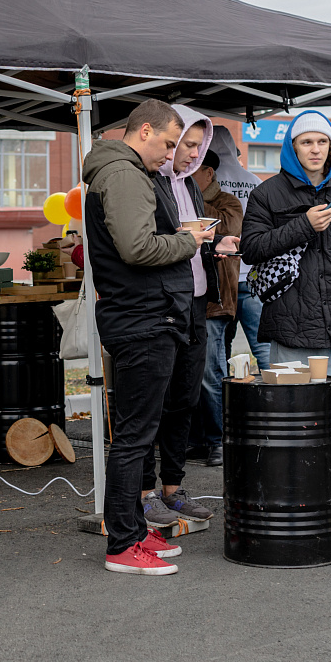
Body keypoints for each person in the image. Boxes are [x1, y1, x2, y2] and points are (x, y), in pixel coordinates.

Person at [83, 99, 215, 575]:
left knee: (137, 434)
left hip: (144, 316)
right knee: (134, 438)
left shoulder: (124, 172)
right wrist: (189, 241)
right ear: (143, 131)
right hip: (142, 318)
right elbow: (137, 248)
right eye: (168, 142)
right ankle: (123, 544)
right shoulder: (124, 175)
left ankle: (135, 532)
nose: (171, 153)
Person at [241, 110, 331, 526]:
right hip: (291, 326)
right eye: (306, 142)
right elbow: (251, 248)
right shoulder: (266, 194)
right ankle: (301, 494)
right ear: (292, 147)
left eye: (322, 142)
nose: (315, 149)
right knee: (294, 418)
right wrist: (303, 225)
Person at [139, 105, 234, 523]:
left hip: (196, 303)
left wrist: (215, 245)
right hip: (161, 305)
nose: (195, 153)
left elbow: (192, 241)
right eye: (188, 144)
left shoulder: (190, 184)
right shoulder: (145, 181)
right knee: (151, 404)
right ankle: (144, 493)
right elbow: (146, 244)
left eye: (199, 145)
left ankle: (173, 488)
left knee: (184, 400)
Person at [188, 148, 244, 468]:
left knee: (212, 373)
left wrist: (191, 200)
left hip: (218, 301)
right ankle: (197, 440)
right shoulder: (184, 199)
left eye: (193, 170)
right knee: (190, 373)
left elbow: (226, 232)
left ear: (209, 173)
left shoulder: (228, 203)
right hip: (189, 298)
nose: (185, 175)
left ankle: (220, 439)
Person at [207, 125, 267, 370]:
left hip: (221, 275)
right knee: (263, 345)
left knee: (221, 347)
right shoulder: (254, 181)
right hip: (251, 274)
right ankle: (279, 389)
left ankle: (224, 392)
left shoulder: (206, 180)